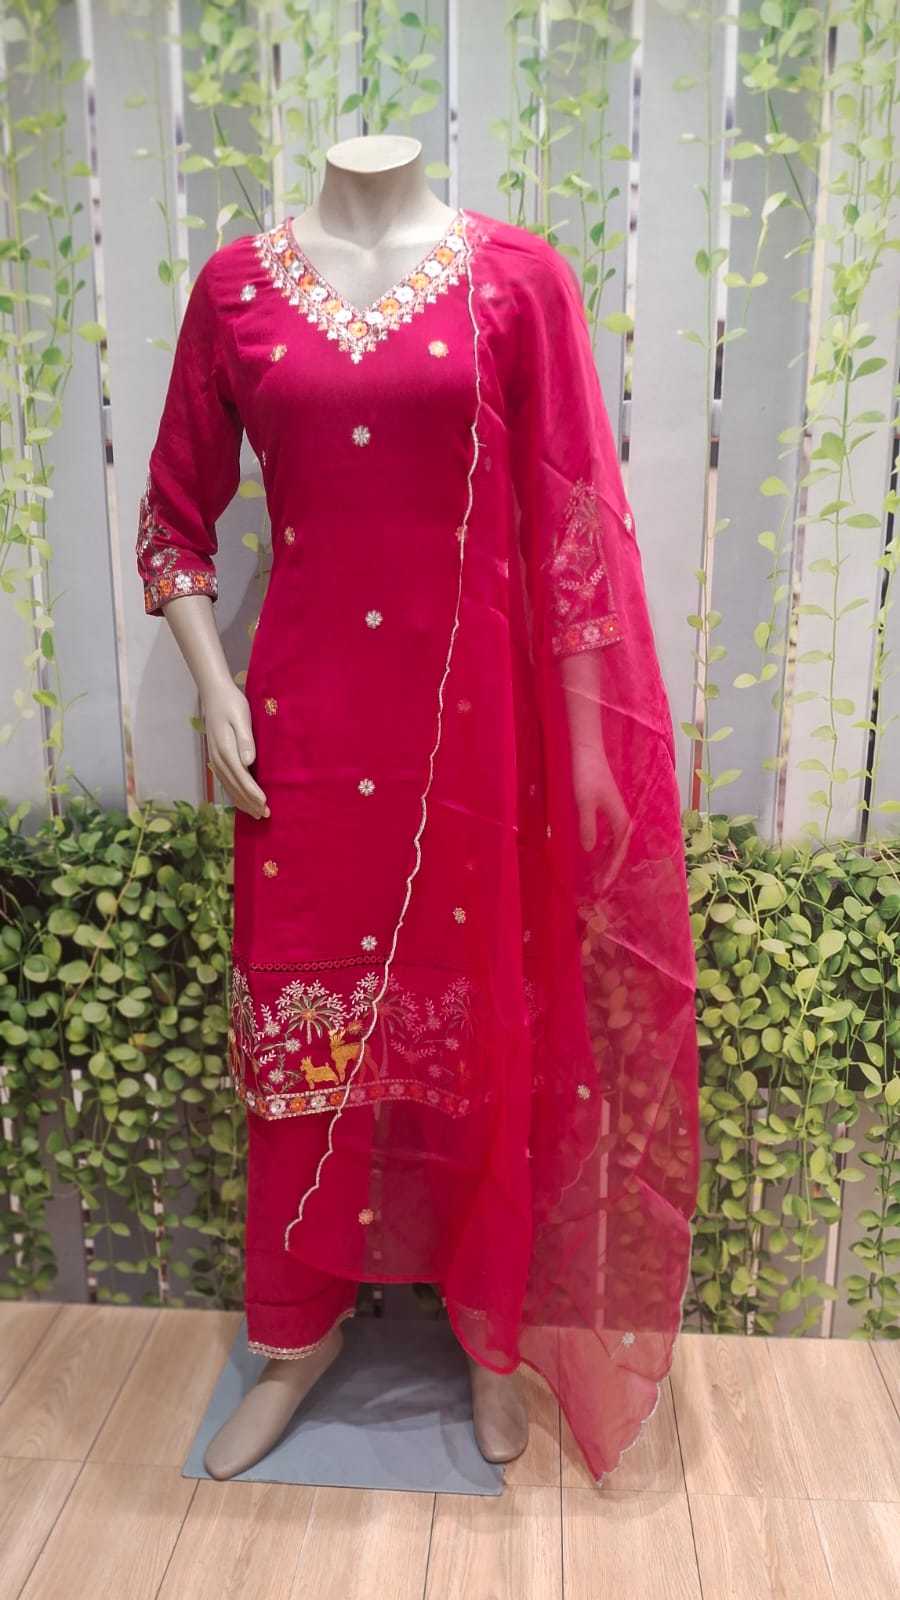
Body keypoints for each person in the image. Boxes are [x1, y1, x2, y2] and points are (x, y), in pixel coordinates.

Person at [137, 134, 700, 1484]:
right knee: (301, 1034)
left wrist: (588, 748)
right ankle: (297, 1337)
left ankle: (489, 1339)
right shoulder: (234, 292)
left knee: (483, 1028)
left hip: (477, 740)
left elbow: (573, 522)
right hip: (303, 731)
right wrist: (214, 689)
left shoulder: (520, 282)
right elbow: (172, 522)